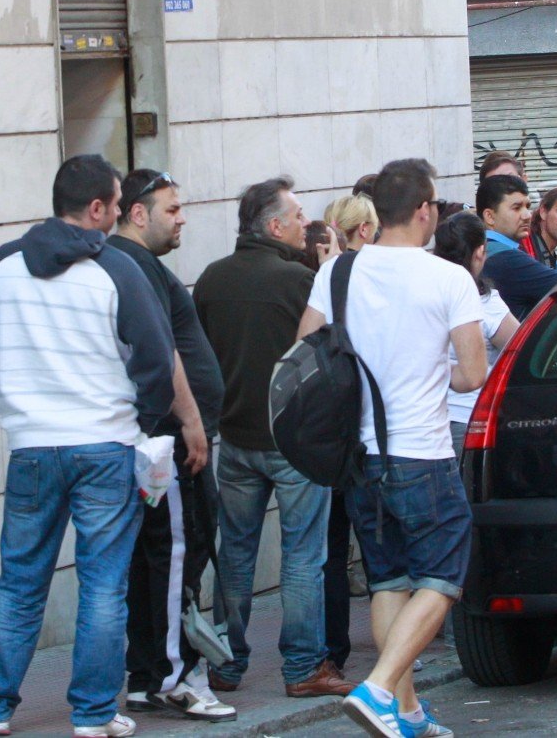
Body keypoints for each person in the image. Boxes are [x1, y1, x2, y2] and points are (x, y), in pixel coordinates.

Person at [0, 154, 177, 738]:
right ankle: (93, 713)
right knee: (104, 583)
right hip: (106, 444)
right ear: (99, 208)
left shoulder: (0, 267)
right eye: (113, 203)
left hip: (31, 447)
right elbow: (156, 361)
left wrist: (15, 409)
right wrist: (140, 419)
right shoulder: (117, 270)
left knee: (19, 582)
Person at [297, 159, 486, 738]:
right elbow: (473, 372)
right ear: (425, 209)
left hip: (361, 455)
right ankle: (379, 689)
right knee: (442, 576)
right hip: (421, 453)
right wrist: (435, 376)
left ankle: (405, 713)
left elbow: (305, 348)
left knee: (387, 580)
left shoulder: (340, 273)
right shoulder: (447, 278)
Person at [193, 178, 354, 698]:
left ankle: (225, 663)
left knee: (235, 553)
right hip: (294, 442)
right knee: (304, 554)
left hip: (235, 438)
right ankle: (304, 666)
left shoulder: (212, 279)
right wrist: (330, 270)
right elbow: (332, 348)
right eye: (299, 213)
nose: (307, 222)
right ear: (275, 225)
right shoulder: (298, 281)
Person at [106, 170, 233, 723]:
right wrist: (190, 422)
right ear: (138, 213)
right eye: (172, 209)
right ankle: (176, 677)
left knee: (154, 557)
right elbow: (161, 351)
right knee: (179, 555)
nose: (182, 218)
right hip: (171, 443)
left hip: (162, 440)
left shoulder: (135, 265)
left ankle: (146, 675)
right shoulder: (133, 265)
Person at [318, 192, 383, 673]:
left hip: (332, 432)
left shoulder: (324, 276)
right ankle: (393, 657)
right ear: (365, 230)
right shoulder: (379, 275)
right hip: (372, 432)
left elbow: (306, 345)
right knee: (382, 551)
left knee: (332, 548)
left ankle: (333, 651)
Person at [432, 211, 521, 458]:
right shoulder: (485, 301)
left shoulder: (423, 293)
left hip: (426, 422)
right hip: (469, 417)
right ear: (481, 251)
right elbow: (519, 347)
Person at [476, 174, 557, 319]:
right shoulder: (508, 260)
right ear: (489, 216)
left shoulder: (477, 251)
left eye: (527, 206)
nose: (527, 215)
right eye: (516, 208)